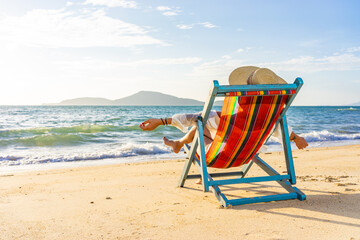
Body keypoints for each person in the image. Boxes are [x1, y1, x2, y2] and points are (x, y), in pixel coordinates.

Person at [139, 66, 308, 155]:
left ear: (243, 93)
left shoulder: (231, 116)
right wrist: (297, 138)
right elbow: (280, 129)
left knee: (199, 125)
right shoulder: (269, 116)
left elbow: (196, 117)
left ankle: (195, 165)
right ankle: (179, 143)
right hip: (246, 153)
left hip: (222, 154)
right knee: (202, 124)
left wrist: (161, 121)